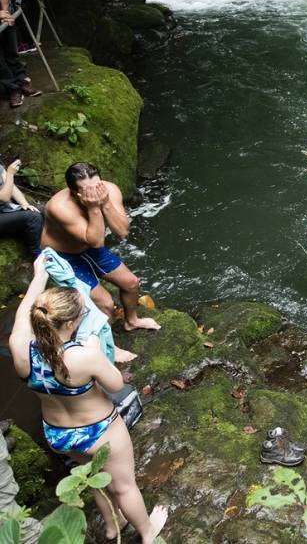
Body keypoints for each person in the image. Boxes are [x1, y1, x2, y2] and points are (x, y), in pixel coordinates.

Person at [8, 254, 168, 543]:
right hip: (100, 430)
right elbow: (116, 383)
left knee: (92, 476)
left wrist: (39, 276)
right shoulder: (82, 355)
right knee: (124, 486)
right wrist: (95, 348)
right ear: (70, 324)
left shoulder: (20, 348)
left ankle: (111, 524)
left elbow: (22, 315)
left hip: (58, 433)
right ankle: (147, 532)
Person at [41, 162, 160, 331]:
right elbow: (96, 241)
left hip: (87, 248)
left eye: (97, 186)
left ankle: (132, 321)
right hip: (61, 255)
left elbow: (122, 232)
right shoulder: (59, 207)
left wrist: (105, 203)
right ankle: (107, 346)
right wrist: (94, 207)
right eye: (87, 190)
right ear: (75, 193)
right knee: (105, 303)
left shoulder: (109, 190)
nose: (95, 192)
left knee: (131, 283)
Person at [0, 158, 44, 255]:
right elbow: (4, 197)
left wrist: (25, 204)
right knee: (33, 217)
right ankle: (37, 254)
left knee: (43, 209)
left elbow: (12, 187)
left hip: (6, 209)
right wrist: (10, 174)